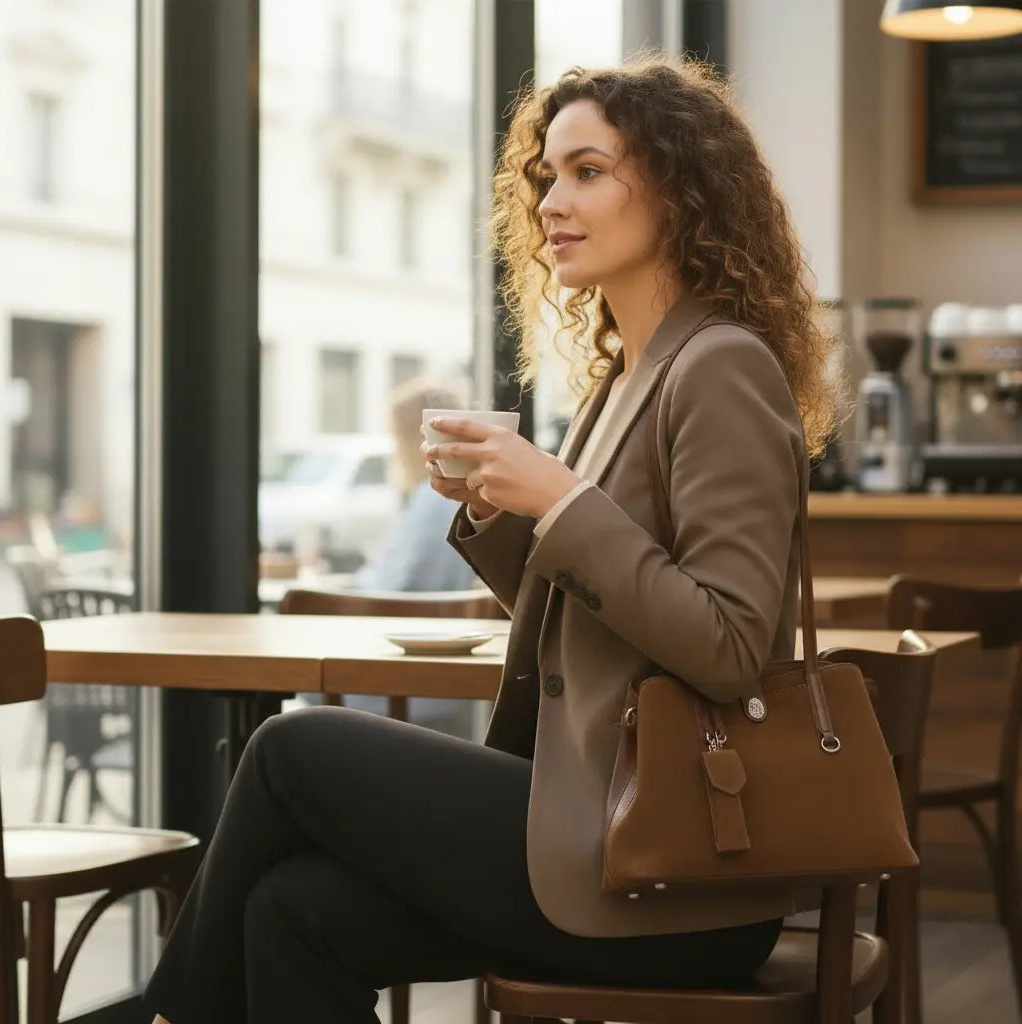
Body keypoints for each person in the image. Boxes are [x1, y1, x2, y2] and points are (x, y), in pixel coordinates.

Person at [145, 55, 839, 1024]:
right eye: (546, 175)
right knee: (290, 911)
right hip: (599, 829)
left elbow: (724, 647)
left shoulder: (719, 365)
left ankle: (163, 1015)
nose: (553, 199)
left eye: (588, 170)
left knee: (289, 747)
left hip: (677, 874)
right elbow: (603, 623)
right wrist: (505, 512)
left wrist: (560, 501)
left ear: (682, 188)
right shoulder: (625, 377)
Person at [353, 377, 479, 594]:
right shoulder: (466, 495)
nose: (395, 451)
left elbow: (397, 586)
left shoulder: (433, 499)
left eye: (397, 438)